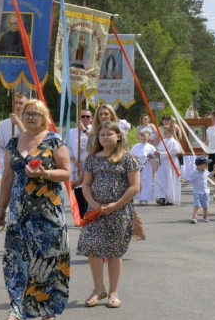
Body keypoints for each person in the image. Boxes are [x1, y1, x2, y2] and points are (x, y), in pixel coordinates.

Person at [0, 99, 71, 320]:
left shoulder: (53, 140)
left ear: (44, 116)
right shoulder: (13, 142)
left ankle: (48, 307)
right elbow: (7, 178)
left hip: (49, 212)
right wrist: (0, 209)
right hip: (19, 213)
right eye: (27, 113)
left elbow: (66, 173)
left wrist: (47, 173)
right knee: (16, 261)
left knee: (48, 260)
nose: (30, 117)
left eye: (36, 114)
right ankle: (15, 311)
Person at [78, 120, 140, 309]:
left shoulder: (128, 158)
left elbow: (134, 186)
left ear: (119, 136)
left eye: (109, 134)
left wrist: (115, 205)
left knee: (114, 251)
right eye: (102, 134)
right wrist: (94, 204)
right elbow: (86, 185)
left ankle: (113, 292)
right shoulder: (93, 159)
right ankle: (98, 289)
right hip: (96, 211)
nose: (105, 137)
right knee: (93, 248)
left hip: (119, 211)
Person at [67, 108, 94, 216]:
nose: (85, 118)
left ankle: (90, 213)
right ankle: (81, 215)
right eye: (83, 116)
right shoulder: (72, 132)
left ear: (91, 118)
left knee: (89, 188)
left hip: (90, 163)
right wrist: (73, 160)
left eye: (87, 116)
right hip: (77, 164)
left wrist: (83, 129)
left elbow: (95, 141)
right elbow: (67, 147)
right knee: (78, 189)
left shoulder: (94, 130)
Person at [153, 125, 182, 205]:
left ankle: (170, 198)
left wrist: (161, 153)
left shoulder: (174, 142)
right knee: (160, 179)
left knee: (169, 179)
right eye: (164, 132)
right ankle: (161, 197)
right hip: (162, 163)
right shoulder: (163, 141)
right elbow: (158, 150)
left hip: (170, 163)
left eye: (166, 132)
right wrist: (155, 154)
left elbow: (174, 152)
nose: (165, 133)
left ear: (172, 132)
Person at [0, 93, 28, 164]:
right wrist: (5, 161)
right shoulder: (3, 124)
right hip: (7, 163)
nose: (18, 106)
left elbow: (29, 141)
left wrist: (19, 124)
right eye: (15, 103)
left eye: (21, 103)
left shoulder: (30, 123)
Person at [131, 127, 157, 205]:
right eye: (142, 138)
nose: (144, 139)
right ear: (140, 137)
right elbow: (130, 156)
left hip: (147, 167)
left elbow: (155, 158)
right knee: (138, 182)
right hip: (138, 166)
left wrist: (151, 156)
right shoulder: (136, 146)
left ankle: (145, 198)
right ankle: (138, 197)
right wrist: (134, 156)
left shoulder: (151, 147)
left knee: (146, 182)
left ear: (148, 138)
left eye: (145, 138)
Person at [189, 155, 211, 223]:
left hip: (205, 192)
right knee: (197, 205)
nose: (207, 165)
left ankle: (205, 216)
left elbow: (209, 176)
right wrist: (184, 181)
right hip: (197, 192)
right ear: (200, 165)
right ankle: (194, 216)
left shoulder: (206, 171)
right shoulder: (194, 173)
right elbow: (190, 179)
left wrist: (214, 172)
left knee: (205, 205)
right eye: (206, 164)